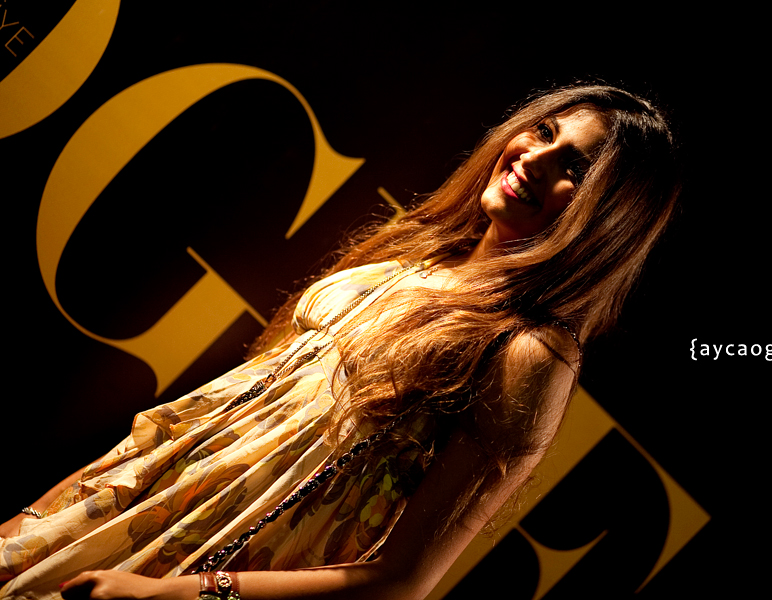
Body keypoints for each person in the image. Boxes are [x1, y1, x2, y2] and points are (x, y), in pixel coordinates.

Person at [0, 84, 680, 600]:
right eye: (544, 130)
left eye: (574, 168)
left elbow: (401, 582)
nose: (535, 158)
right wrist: (49, 515)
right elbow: (216, 421)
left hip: (203, 571)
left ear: (608, 220)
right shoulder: (420, 250)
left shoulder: (529, 354)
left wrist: (179, 594)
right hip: (112, 511)